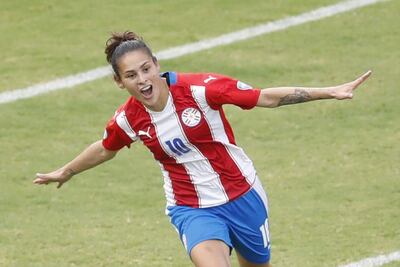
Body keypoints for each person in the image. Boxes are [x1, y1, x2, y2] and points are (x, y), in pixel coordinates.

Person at [33, 31, 371, 267]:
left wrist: (328, 91)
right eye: (131, 75)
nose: (142, 80)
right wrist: (67, 170)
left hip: (243, 195)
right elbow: (106, 148)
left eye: (146, 69)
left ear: (156, 63)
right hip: (191, 207)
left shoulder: (201, 89)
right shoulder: (130, 117)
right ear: (119, 82)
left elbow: (265, 97)